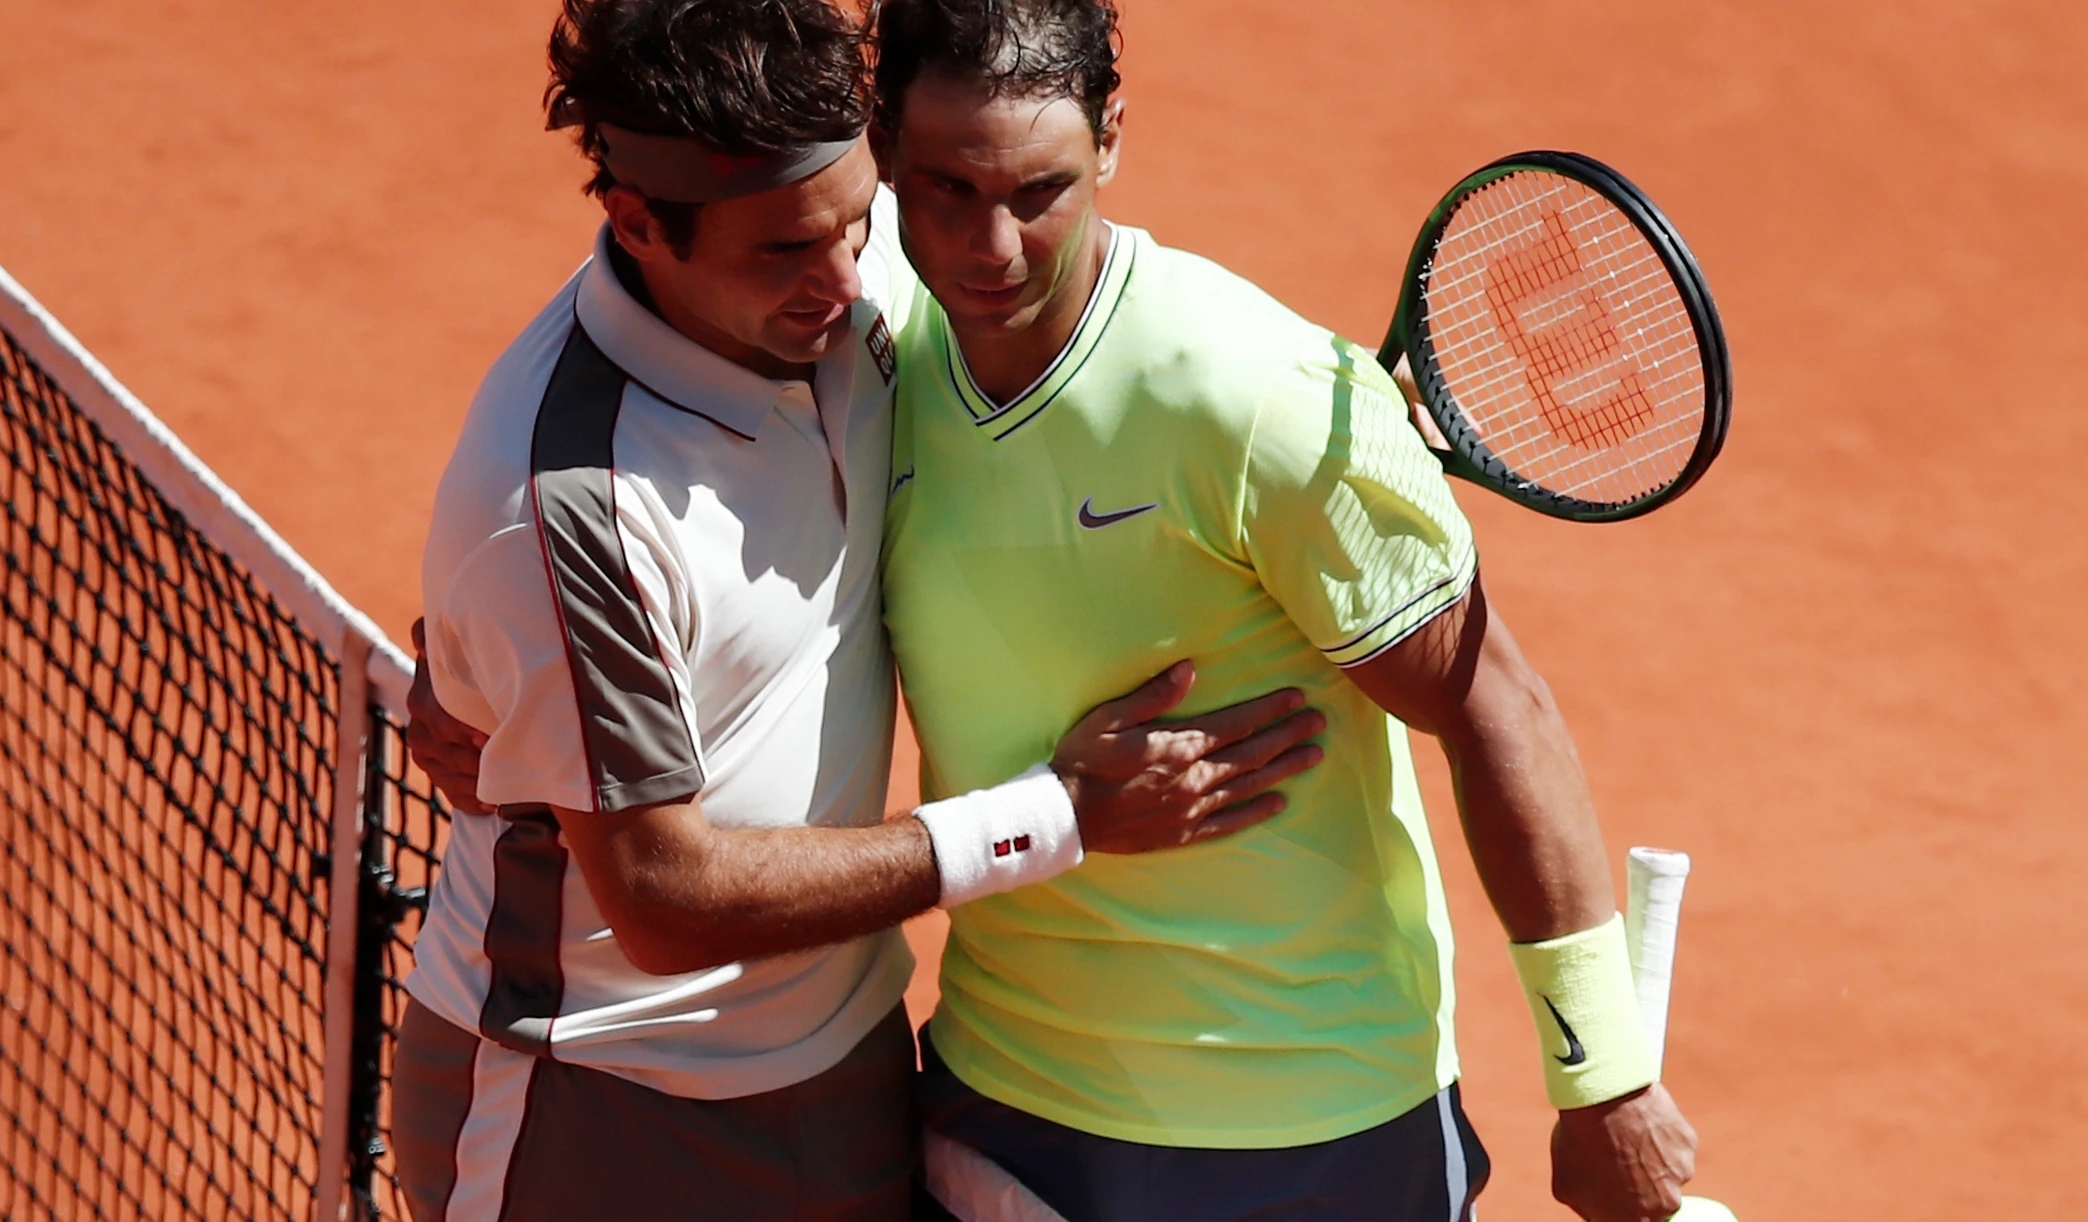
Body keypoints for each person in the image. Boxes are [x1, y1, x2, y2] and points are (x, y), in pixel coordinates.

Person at [390, 2, 1326, 1219]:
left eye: (857, 217)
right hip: (599, 1100)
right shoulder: (573, 506)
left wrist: (1324, 433)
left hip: (849, 1066)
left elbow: (1101, 337)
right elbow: (666, 902)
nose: (849, 282)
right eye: (784, 249)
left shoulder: (860, 263)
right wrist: (1057, 816)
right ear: (636, 226)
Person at [865, 2, 1699, 1220]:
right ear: (879, 150)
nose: (991, 245)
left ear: (1111, 140)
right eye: (945, 187)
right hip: (1012, 1091)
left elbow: (1494, 704)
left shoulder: (1257, 397)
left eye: (1038, 192)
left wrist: (1605, 1080)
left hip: (1310, 1127)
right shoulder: (865, 334)